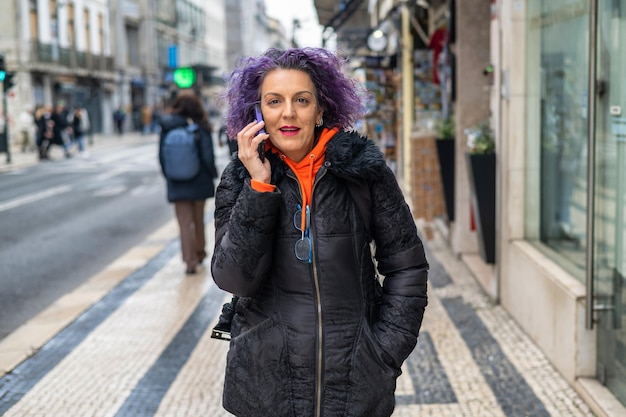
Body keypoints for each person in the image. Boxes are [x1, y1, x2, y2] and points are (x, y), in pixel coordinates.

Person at [210, 47, 429, 417]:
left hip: (353, 386)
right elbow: (234, 277)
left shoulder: (363, 171)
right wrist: (259, 188)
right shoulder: (239, 179)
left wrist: (384, 353)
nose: (289, 113)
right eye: (274, 101)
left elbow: (407, 266)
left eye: (302, 100)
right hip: (265, 390)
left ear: (321, 109)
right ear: (258, 112)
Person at [158, 94, 218, 274]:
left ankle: (189, 261)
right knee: (198, 220)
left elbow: (161, 156)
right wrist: (212, 174)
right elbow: (207, 155)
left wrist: (169, 175)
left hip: (177, 181)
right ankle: (200, 253)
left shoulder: (168, 126)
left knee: (184, 223)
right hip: (199, 180)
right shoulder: (200, 126)